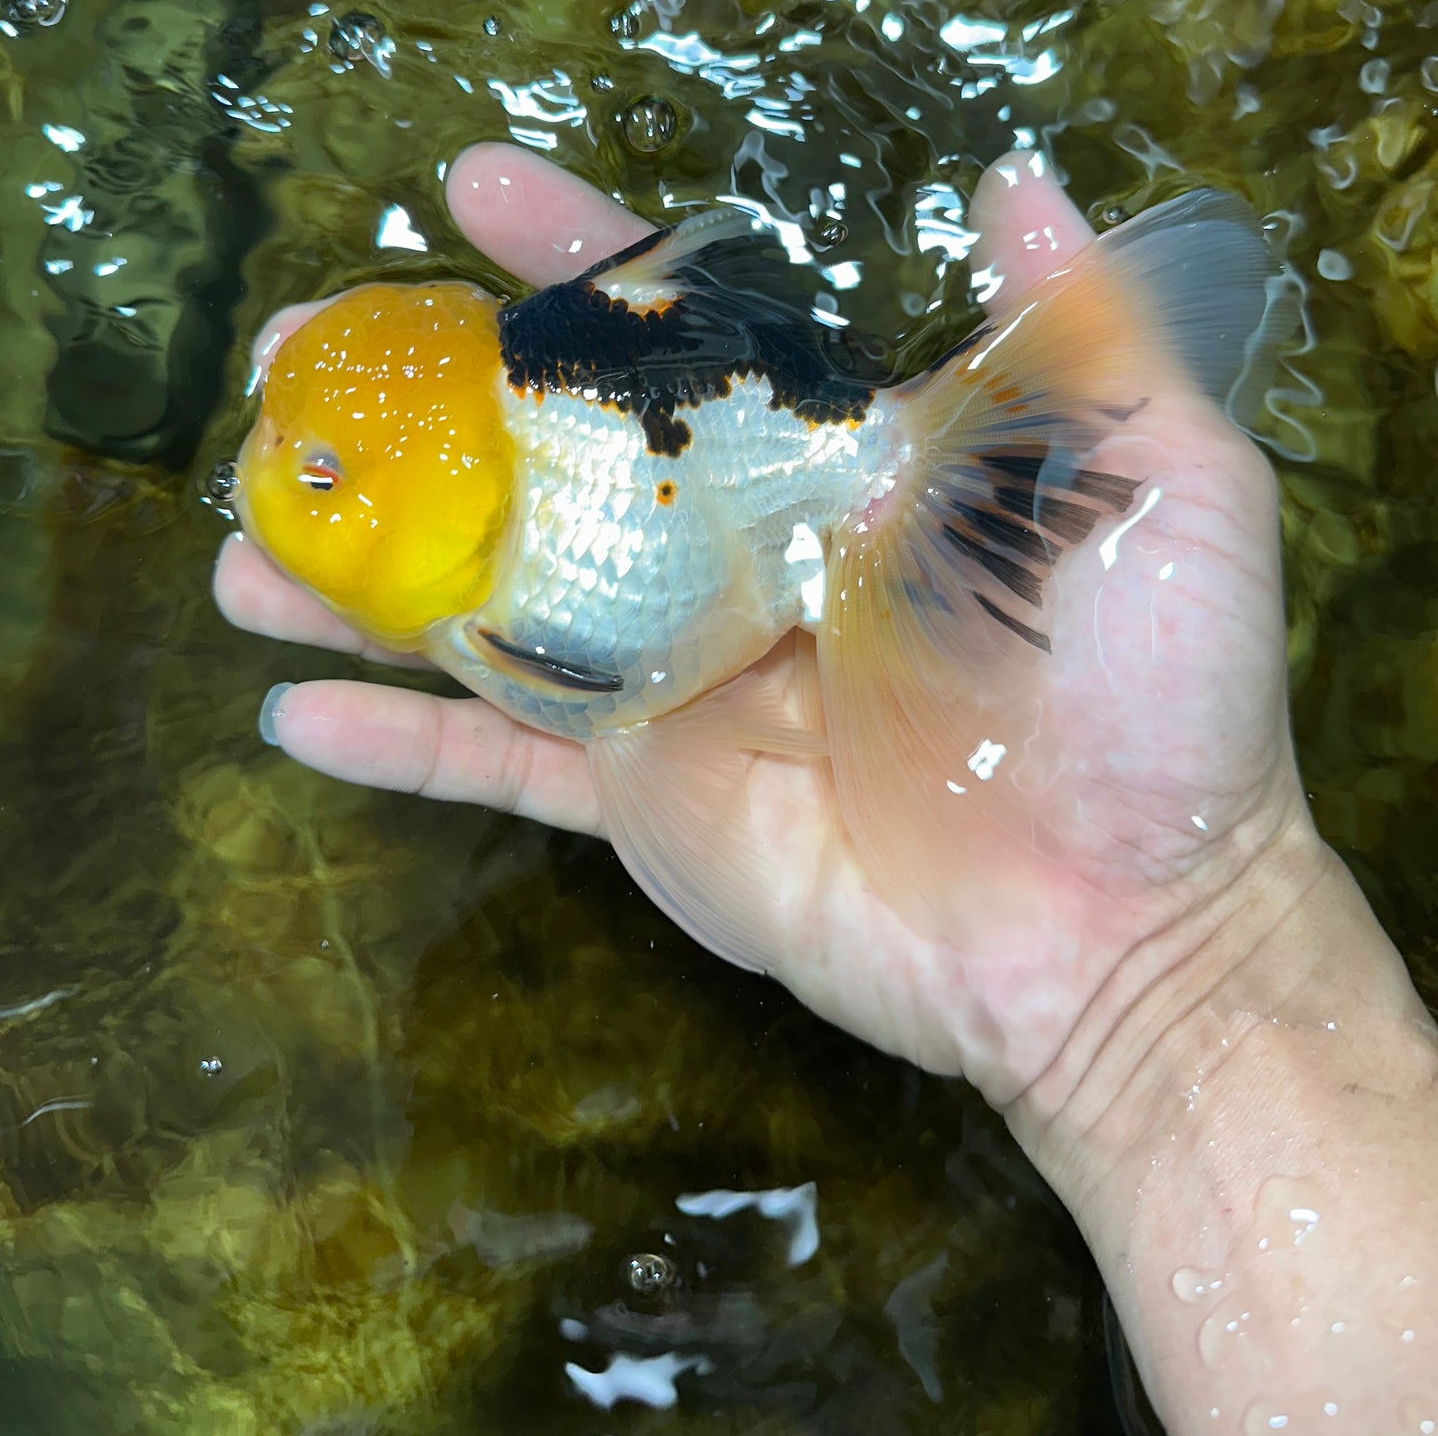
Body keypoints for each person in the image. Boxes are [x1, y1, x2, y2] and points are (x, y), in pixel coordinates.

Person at [216, 142, 1438, 1434]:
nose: (265, 474)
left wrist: (1167, 968)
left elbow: (635, 721)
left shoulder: (515, 602)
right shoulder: (487, 559)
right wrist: (1178, 982)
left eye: (315, 480)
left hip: (796, 467)